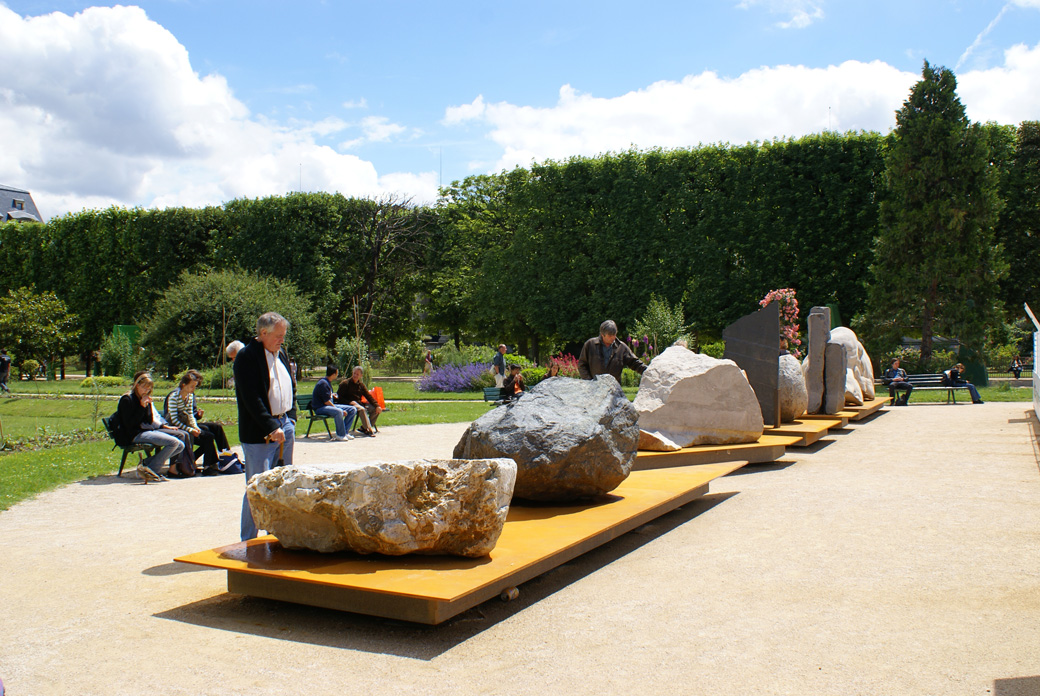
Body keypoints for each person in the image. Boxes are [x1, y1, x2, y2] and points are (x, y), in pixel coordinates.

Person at [234, 312, 297, 540]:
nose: (282, 339)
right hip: (261, 433)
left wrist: (291, 418)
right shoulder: (247, 357)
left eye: (283, 335)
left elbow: (290, 386)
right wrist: (271, 426)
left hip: (284, 425)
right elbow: (251, 398)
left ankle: (276, 533)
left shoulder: (280, 353)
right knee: (257, 487)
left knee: (282, 484)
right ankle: (248, 540)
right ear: (263, 333)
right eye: (278, 335)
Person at [117, 372, 185, 482]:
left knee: (180, 445)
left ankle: (146, 465)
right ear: (137, 385)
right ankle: (153, 471)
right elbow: (129, 424)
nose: (146, 390)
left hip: (146, 431)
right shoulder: (127, 399)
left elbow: (149, 421)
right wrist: (141, 407)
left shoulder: (144, 398)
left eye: (149, 388)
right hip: (133, 434)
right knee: (174, 443)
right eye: (144, 387)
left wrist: (147, 406)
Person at [167, 369, 232, 475]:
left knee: (212, 430)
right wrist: (191, 429)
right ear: (184, 385)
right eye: (192, 386)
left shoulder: (190, 396)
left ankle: (225, 458)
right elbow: (174, 419)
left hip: (187, 425)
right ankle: (208, 465)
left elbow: (190, 415)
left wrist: (195, 426)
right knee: (207, 435)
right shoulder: (174, 396)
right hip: (177, 427)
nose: (194, 389)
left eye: (195, 386)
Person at [577, 320, 647, 383]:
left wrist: (649, 370)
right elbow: (582, 364)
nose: (613, 338)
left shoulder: (621, 347)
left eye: (614, 335)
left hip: (614, 389)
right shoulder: (590, 345)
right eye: (610, 336)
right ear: (602, 334)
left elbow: (635, 363)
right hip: (594, 388)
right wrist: (589, 381)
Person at [312, 365, 356, 441]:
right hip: (320, 408)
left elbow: (326, 396)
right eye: (337, 373)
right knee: (338, 411)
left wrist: (332, 395)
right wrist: (339, 409)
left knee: (352, 409)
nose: (337, 375)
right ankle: (340, 435)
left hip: (327, 406)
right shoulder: (323, 384)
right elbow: (326, 402)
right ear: (333, 374)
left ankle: (345, 432)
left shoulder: (327, 382)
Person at [337, 366, 382, 436]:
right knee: (362, 409)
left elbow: (368, 396)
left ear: (361, 375)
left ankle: (364, 428)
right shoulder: (345, 384)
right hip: (348, 405)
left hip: (359, 404)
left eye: (357, 374)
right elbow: (339, 398)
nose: (355, 375)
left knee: (375, 409)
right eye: (354, 373)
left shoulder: (361, 385)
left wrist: (377, 406)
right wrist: (349, 402)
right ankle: (369, 430)